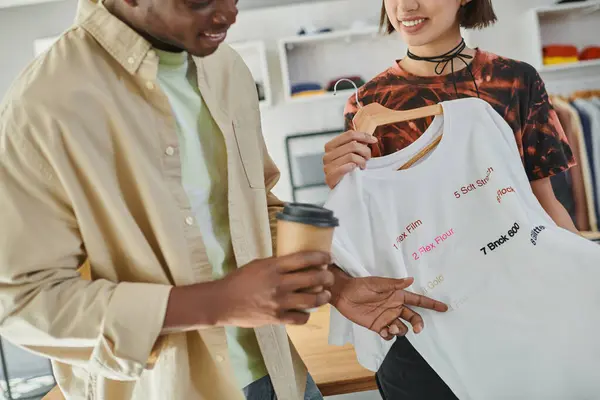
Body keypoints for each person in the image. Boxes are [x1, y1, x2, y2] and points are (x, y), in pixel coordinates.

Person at [322, 0, 580, 399]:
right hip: (429, 321)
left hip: (518, 308)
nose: (406, 5)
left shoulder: (514, 81)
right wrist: (339, 183)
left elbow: (544, 201)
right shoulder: (368, 103)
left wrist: (579, 283)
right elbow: (377, 224)